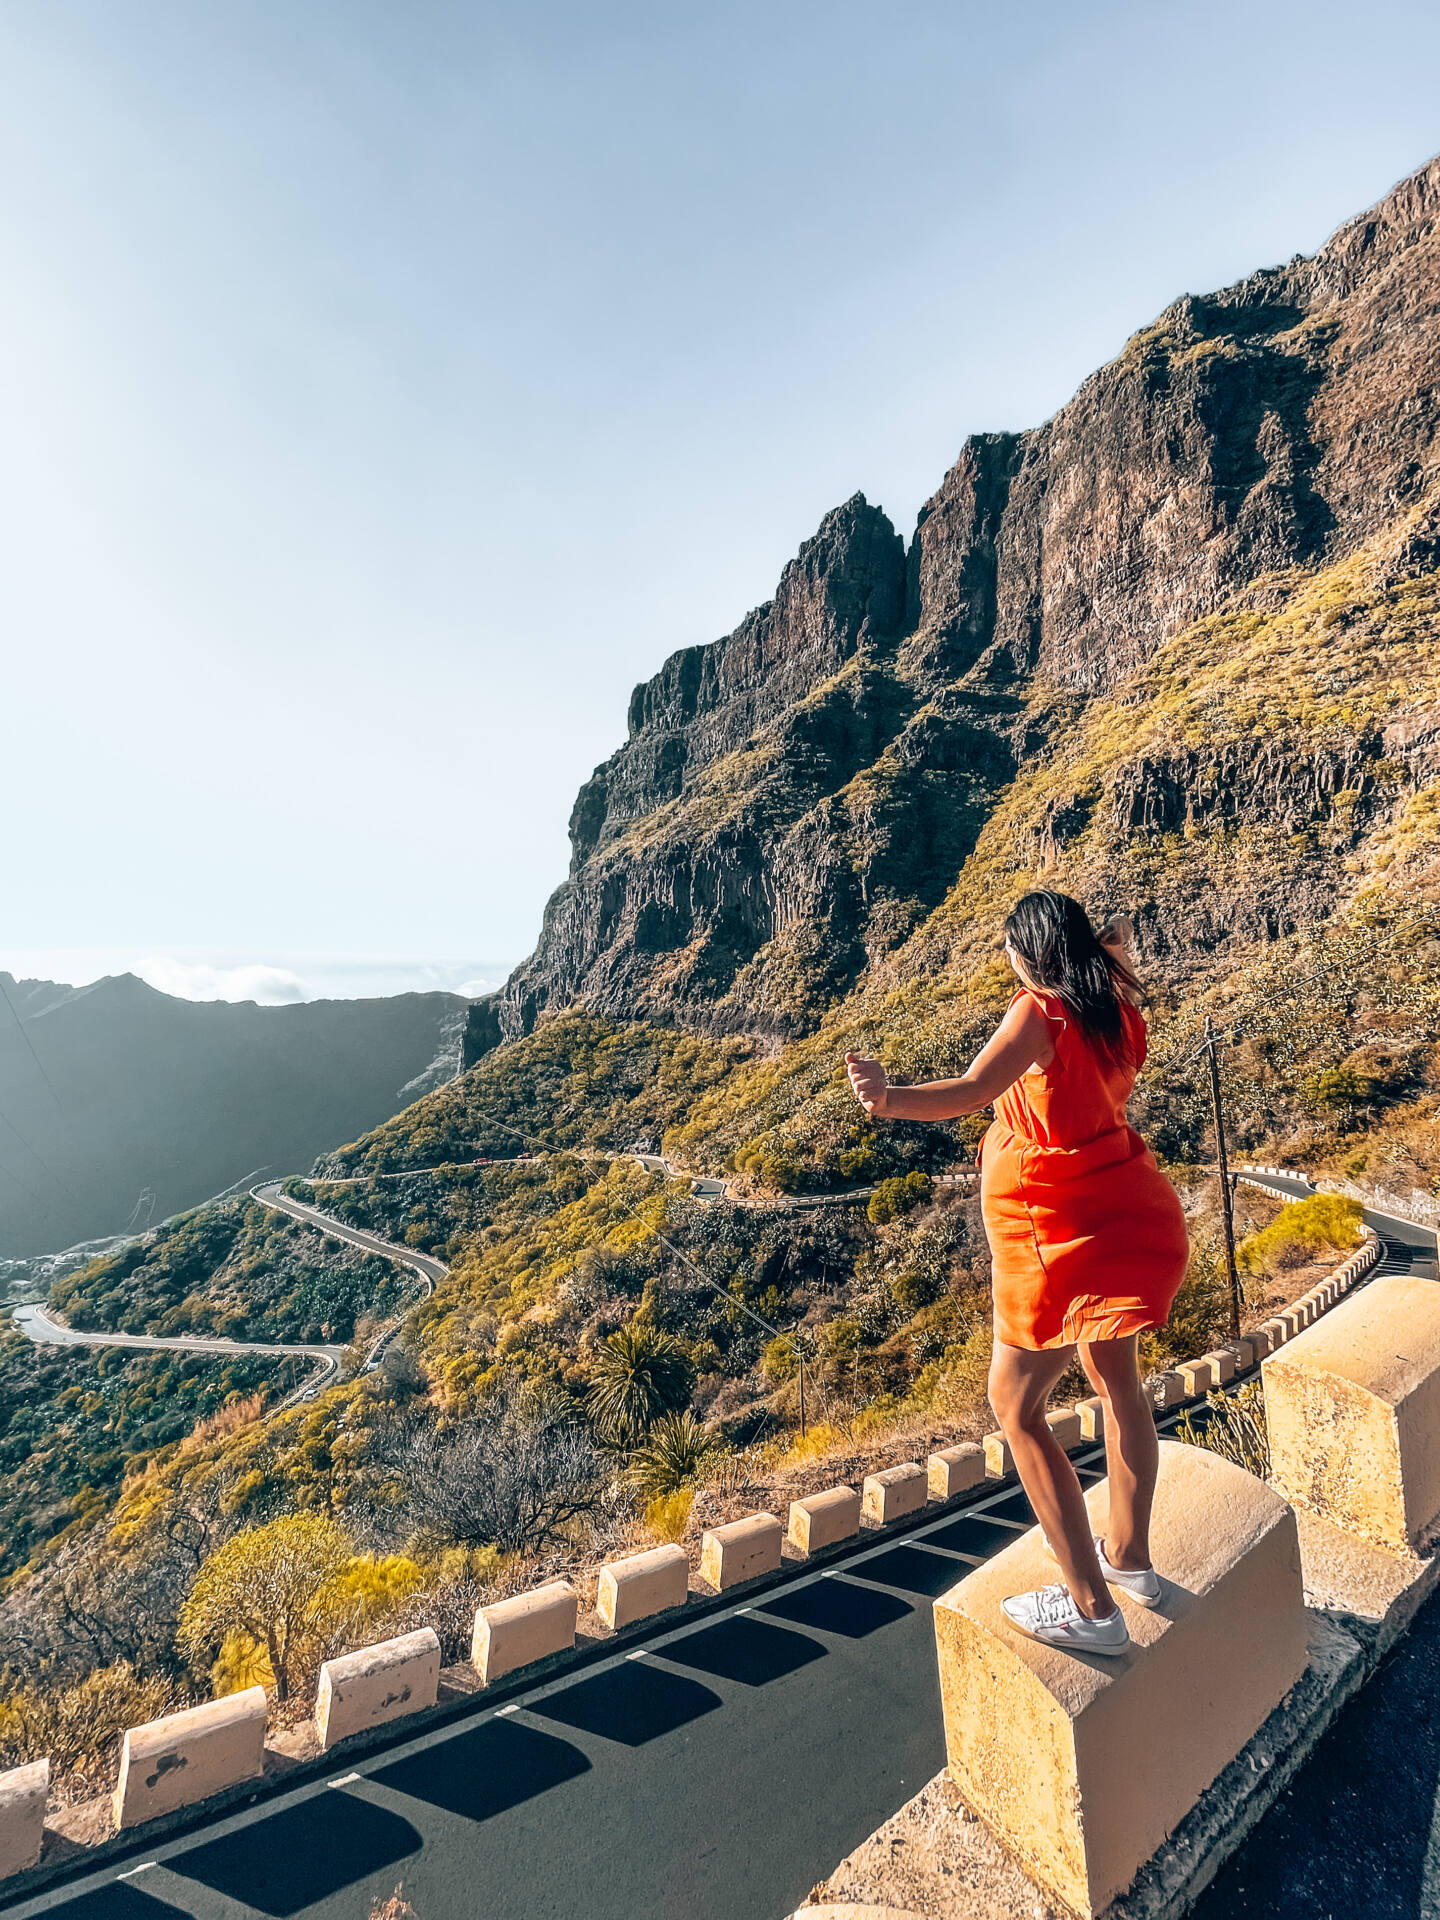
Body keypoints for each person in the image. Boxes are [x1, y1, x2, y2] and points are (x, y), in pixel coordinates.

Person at [845, 889, 1188, 1655]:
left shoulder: (1040, 1013)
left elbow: (972, 1090)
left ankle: (1092, 1610)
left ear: (1029, 956)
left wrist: (887, 1098)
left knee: (1016, 1408)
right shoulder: (1112, 1002)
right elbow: (1121, 938)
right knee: (1119, 1387)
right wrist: (1104, 943)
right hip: (1117, 1208)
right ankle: (1128, 1559)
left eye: (1009, 950)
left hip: (1056, 1232)